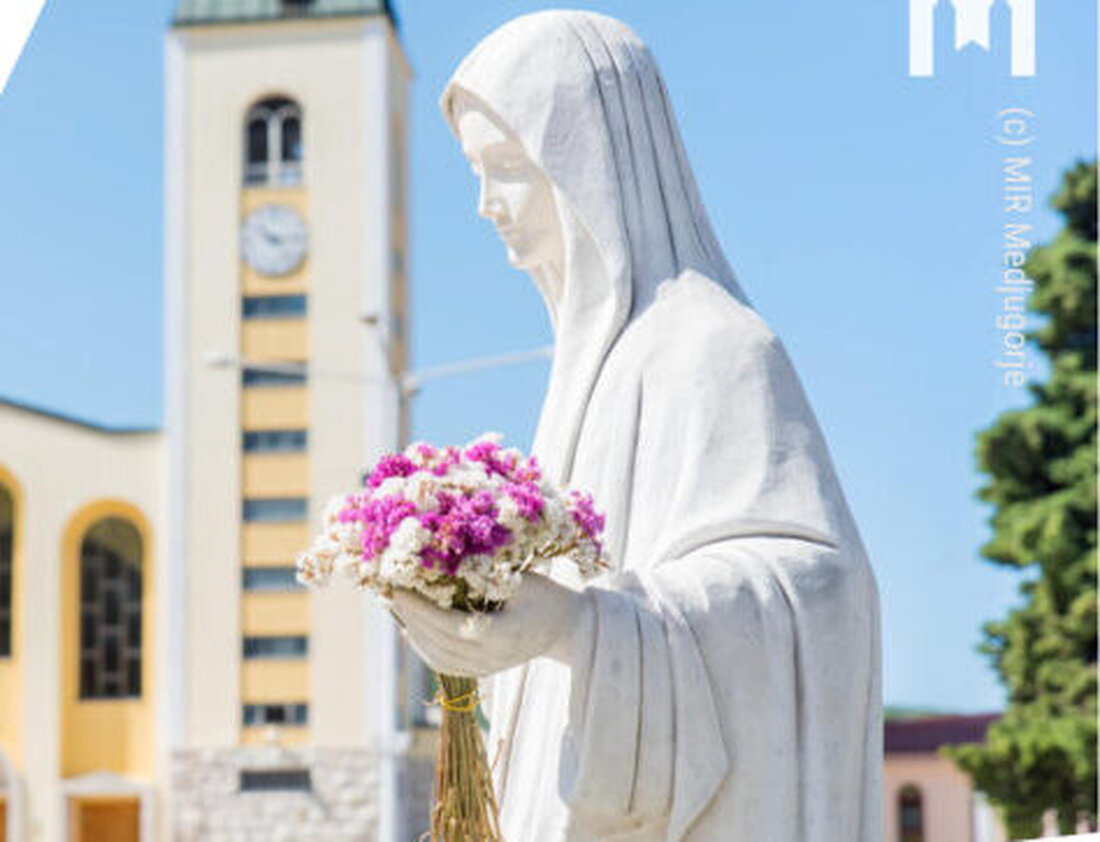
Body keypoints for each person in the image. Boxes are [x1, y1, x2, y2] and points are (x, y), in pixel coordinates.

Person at [390, 11, 883, 842]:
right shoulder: (582, 378)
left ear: (590, 164)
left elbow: (824, 592)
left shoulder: (714, 346)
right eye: (478, 172)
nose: (485, 205)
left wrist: (579, 627)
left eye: (507, 167)